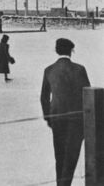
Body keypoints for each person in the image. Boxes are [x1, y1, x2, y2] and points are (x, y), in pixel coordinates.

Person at [40, 38, 90, 186]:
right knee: (71, 157)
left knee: (60, 156)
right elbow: (88, 94)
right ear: (71, 51)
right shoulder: (80, 69)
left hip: (57, 118)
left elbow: (43, 97)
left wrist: (48, 118)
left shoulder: (49, 70)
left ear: (56, 51)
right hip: (77, 119)